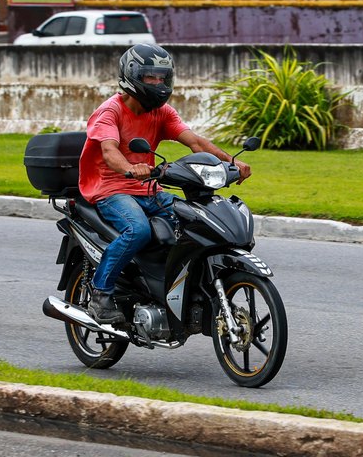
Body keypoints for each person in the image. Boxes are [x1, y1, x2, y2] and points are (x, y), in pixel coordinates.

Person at [78, 43, 251, 325]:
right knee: (137, 230)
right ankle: (101, 294)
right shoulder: (109, 112)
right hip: (111, 189)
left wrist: (231, 162)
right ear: (132, 75)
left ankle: (170, 288)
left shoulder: (162, 112)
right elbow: (109, 152)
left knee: (196, 222)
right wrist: (131, 168)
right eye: (150, 78)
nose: (158, 84)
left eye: (162, 77)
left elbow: (195, 142)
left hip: (149, 188)